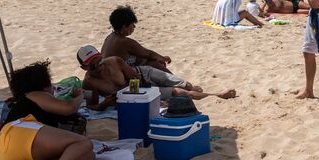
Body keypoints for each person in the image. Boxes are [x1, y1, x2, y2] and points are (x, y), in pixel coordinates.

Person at [0, 61, 94, 160]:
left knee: (87, 158)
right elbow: (69, 108)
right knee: (83, 143)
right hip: (17, 133)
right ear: (44, 85)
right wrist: (80, 96)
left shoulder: (23, 102)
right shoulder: (35, 94)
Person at [78, 45, 236, 103]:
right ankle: (216, 94)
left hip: (141, 76)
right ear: (84, 68)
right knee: (181, 93)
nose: (98, 66)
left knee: (185, 85)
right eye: (92, 65)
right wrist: (106, 103)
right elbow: (93, 105)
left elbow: (134, 77)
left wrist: (137, 94)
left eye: (99, 60)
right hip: (135, 93)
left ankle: (193, 87)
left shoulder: (113, 61)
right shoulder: (89, 83)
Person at [101, 5, 172, 71]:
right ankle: (178, 82)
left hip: (108, 73)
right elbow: (147, 53)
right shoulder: (124, 41)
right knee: (154, 64)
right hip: (116, 77)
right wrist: (163, 58)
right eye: (132, 24)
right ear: (124, 26)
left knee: (144, 60)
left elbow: (140, 51)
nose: (134, 27)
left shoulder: (110, 37)